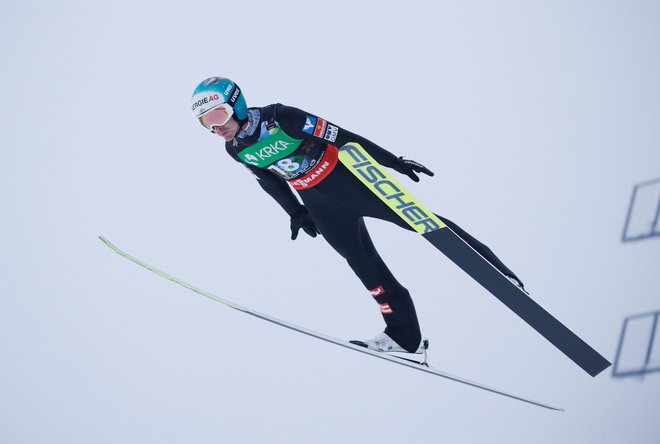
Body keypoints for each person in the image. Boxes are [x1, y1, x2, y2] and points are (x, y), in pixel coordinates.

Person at [191, 76, 526, 354]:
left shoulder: (281, 117)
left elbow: (343, 135)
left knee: (422, 222)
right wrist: (296, 212)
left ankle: (498, 273)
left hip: (348, 180)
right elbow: (269, 179)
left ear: (235, 105)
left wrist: (392, 161)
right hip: (318, 201)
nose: (215, 128)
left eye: (218, 117)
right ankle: (404, 336)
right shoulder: (236, 149)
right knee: (362, 263)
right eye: (206, 123)